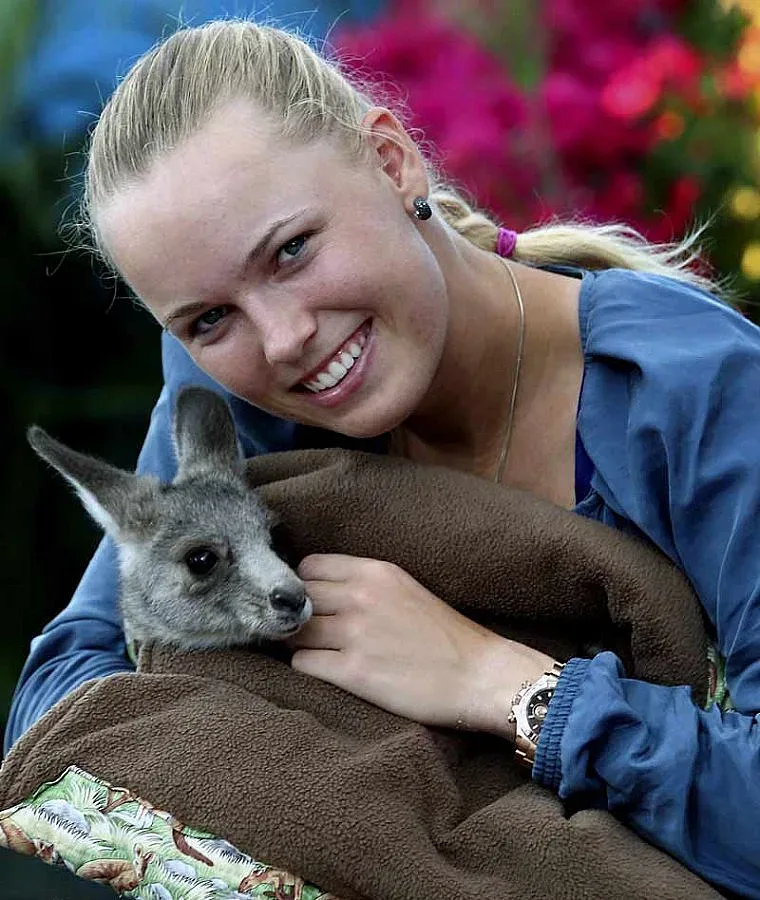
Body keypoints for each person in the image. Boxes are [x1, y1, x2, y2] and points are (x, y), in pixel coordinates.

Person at [6, 17, 760, 899]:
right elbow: (65, 693)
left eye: (292, 250)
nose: (283, 339)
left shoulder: (698, 392)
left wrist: (498, 682)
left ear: (392, 161)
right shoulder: (239, 394)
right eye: (207, 319)